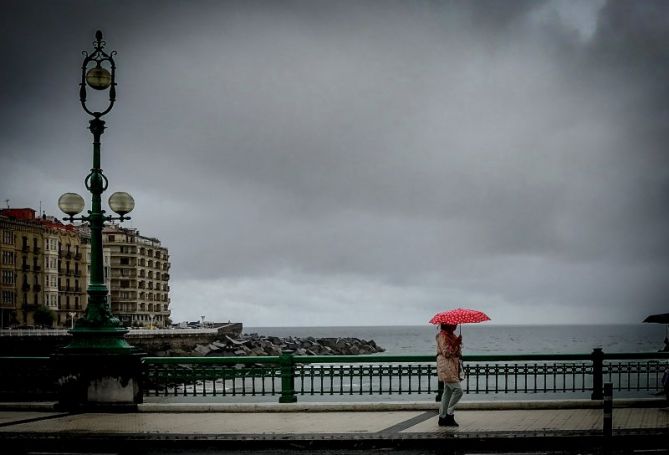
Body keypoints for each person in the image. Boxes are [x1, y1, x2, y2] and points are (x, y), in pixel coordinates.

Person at [436, 323, 464, 427]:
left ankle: (442, 418)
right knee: (458, 391)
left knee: (447, 393)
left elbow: (456, 353)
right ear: (448, 326)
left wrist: (458, 344)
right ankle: (449, 414)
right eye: (453, 324)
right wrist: (455, 343)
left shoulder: (452, 336)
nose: (456, 326)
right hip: (446, 367)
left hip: (452, 366)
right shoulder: (443, 336)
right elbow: (446, 353)